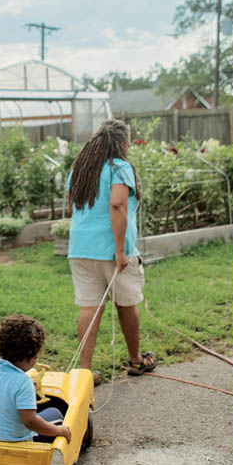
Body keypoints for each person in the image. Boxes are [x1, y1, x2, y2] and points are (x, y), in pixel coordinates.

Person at [66, 119, 156, 384]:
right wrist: (119, 250)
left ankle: (84, 371)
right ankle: (135, 361)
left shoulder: (80, 170)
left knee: (89, 307)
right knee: (126, 304)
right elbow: (117, 205)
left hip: (80, 249)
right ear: (122, 143)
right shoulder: (120, 169)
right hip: (111, 251)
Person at [0, 315, 72, 444]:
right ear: (30, 355)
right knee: (55, 412)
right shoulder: (23, 382)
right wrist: (58, 431)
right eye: (36, 356)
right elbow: (30, 421)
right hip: (19, 441)